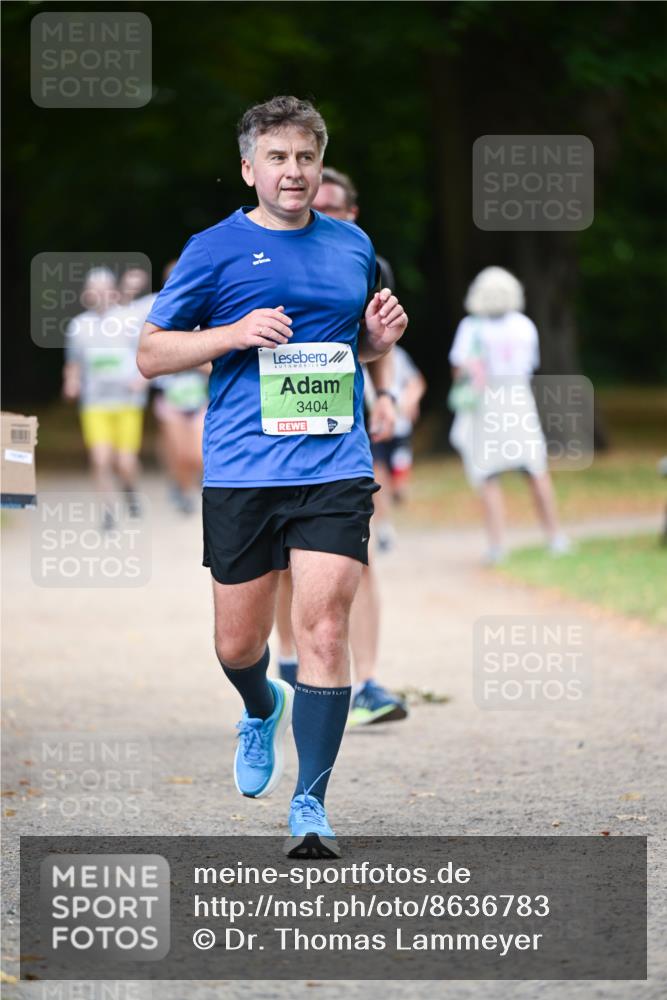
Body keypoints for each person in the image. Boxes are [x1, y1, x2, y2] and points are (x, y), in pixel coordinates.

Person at [137, 96, 408, 858]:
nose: (294, 172)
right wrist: (231, 333)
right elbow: (151, 353)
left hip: (333, 464)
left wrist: (376, 341)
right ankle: (260, 706)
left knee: (323, 628)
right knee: (236, 645)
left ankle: (311, 805)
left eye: (306, 157)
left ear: (320, 165)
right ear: (250, 166)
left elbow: (342, 351)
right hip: (243, 470)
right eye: (278, 158)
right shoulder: (213, 248)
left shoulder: (351, 245)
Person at [274, 167, 409, 727]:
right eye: (313, 205)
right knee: (282, 561)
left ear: (352, 213)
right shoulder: (268, 253)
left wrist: (385, 397)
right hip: (274, 436)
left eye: (331, 207)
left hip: (340, 433)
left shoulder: (364, 261)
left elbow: (380, 340)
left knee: (359, 557)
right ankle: (287, 669)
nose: (319, 214)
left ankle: (369, 681)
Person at [448, 266, 570, 564]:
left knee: (488, 474)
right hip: (518, 400)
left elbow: (458, 369)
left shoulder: (471, 326)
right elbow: (532, 364)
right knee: (535, 468)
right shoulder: (524, 325)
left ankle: (497, 545)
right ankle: (555, 536)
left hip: (486, 403)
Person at [62, 267, 149, 528]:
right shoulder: (78, 326)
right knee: (100, 459)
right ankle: (108, 511)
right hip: (95, 403)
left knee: (125, 462)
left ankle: (130, 489)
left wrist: (142, 379)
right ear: (86, 295)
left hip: (127, 401)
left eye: (104, 290)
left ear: (113, 293)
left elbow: (146, 352)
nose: (99, 295)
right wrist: (71, 382)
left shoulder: (129, 320)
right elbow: (73, 363)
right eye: (93, 291)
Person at [149, 262, 210, 515]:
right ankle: (183, 491)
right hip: (170, 398)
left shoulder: (206, 309)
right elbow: (148, 357)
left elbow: (212, 363)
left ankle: (187, 485)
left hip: (200, 397)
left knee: (197, 455)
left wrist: (191, 359)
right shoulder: (155, 313)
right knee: (180, 454)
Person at [364, 342, 427, 551]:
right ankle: (384, 529)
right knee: (378, 477)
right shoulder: (358, 352)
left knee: (398, 487)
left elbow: (416, 382)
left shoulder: (399, 355)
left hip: (400, 426)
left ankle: (396, 494)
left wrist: (410, 401)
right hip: (374, 425)